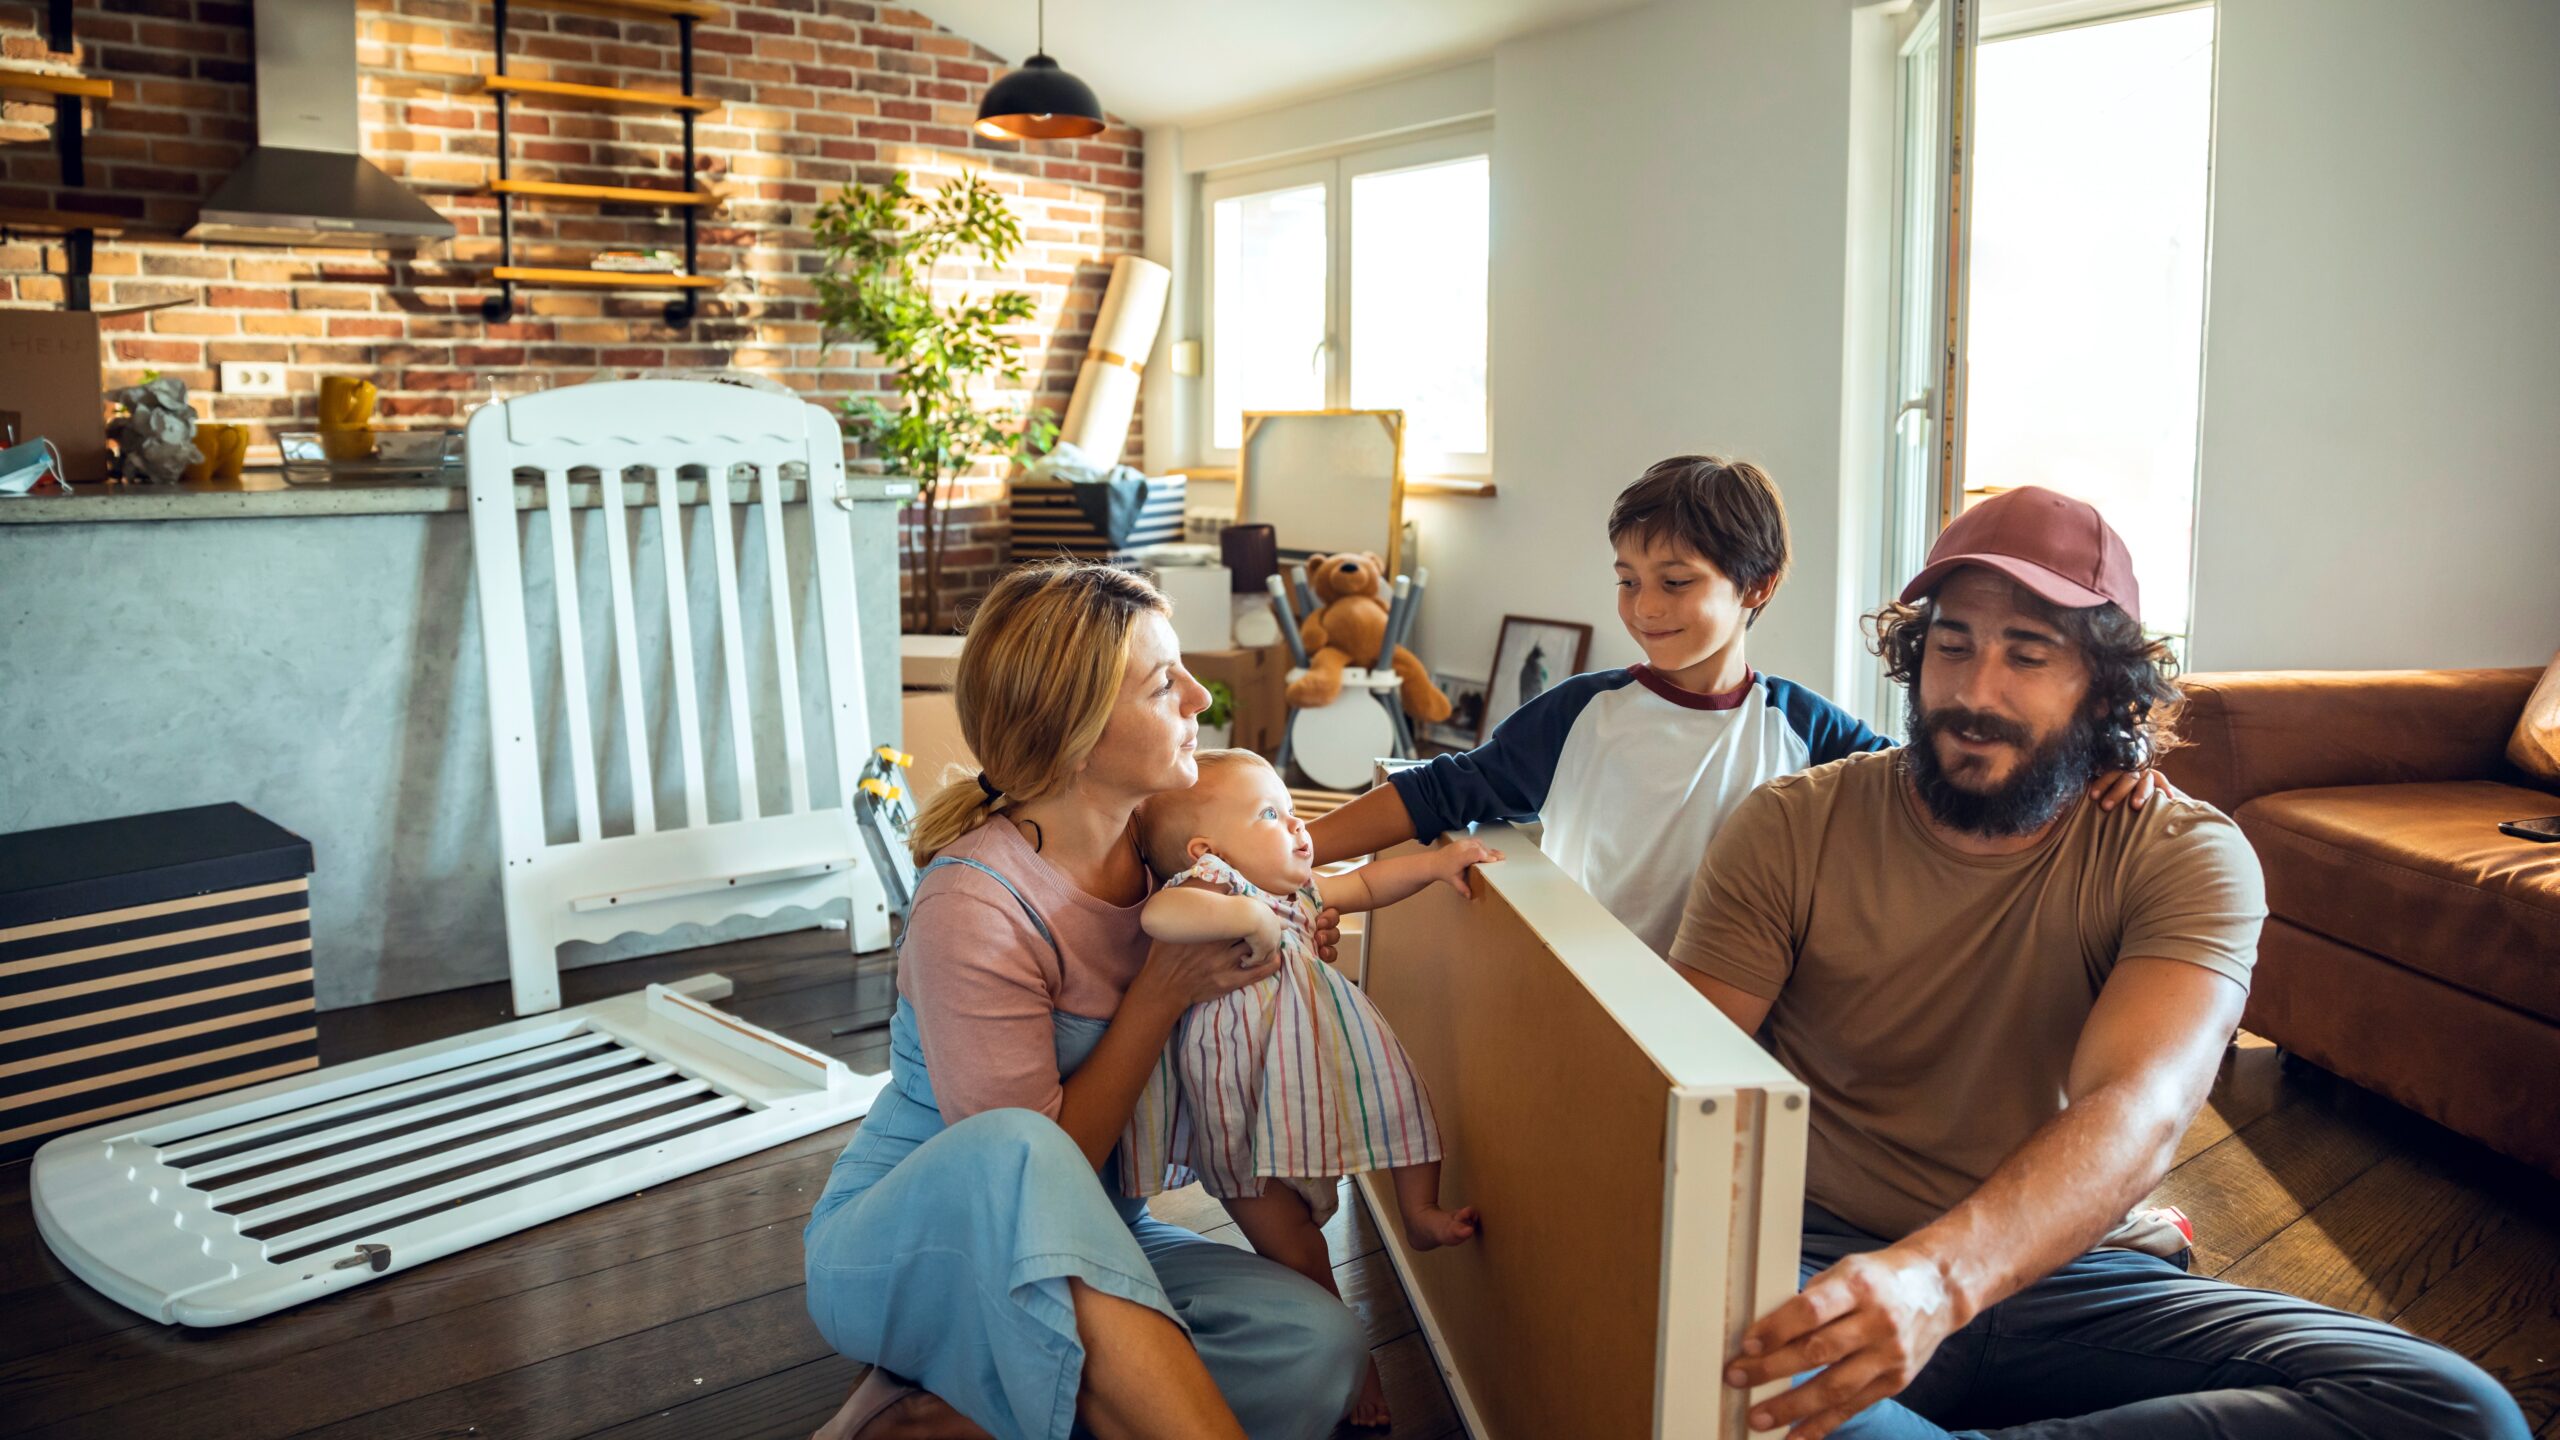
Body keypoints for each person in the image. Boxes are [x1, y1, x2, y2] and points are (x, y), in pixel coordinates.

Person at [1672, 487, 2528, 1440]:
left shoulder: (2184, 856)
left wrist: (1938, 1278)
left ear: (2109, 686)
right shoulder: (1793, 825)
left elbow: (2138, 1105)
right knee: (1708, 1379)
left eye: (2028, 656)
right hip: (1816, 1257)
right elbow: (1674, 1076)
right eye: (1951, 645)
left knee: (2459, 1411)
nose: (1974, 693)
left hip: (2068, 1273)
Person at [801, 563, 1367, 1440]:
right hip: (921, 1250)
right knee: (1019, 1143)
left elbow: (1296, 893)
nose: (1198, 695)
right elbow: (1035, 1172)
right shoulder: (974, 905)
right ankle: (981, 1374)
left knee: (1313, 1344)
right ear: (1076, 733)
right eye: (1161, 682)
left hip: (1102, 1240)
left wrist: (1289, 950)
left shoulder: (1175, 864)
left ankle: (954, 1411)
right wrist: (1160, 992)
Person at [1310, 456, 2156, 953]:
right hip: (1582, 980)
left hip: (1733, 1009)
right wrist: (1294, 848)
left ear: (1758, 585)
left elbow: (1941, 780)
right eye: (1628, 583)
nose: (1645, 609)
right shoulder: (1580, 714)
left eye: (1676, 583)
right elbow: (1443, 789)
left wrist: (2109, 765)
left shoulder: (1806, 728)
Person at [1125, 750, 1498, 1426]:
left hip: (1314, 1085)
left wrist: (1439, 866)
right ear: (1207, 849)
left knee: (1408, 1112)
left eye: (1294, 812)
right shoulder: (1213, 885)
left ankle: (1417, 1214)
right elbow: (1161, 917)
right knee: (1298, 1248)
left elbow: (1371, 883)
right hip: (1237, 1117)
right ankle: (1357, 1368)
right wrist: (1250, 920)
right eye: (1272, 814)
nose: (1298, 827)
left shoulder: (1298, 890)